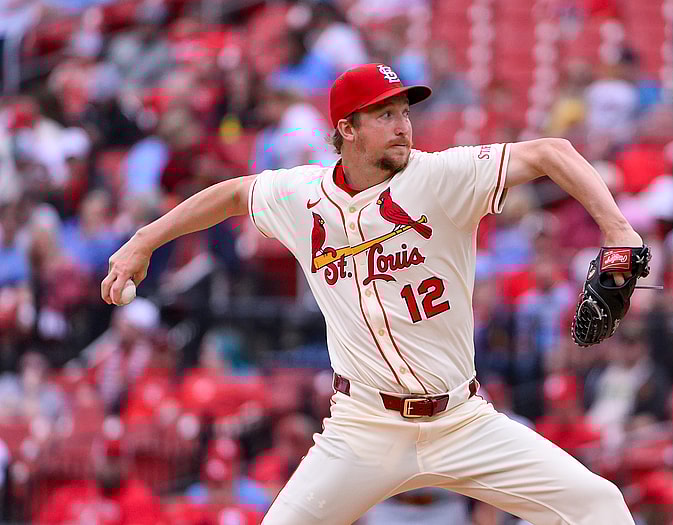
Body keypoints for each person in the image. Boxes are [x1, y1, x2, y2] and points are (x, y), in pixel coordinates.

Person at [102, 63, 643, 524]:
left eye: (406, 112)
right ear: (348, 128)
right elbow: (234, 194)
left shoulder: (441, 177)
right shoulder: (302, 195)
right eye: (385, 114)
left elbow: (553, 151)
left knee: (601, 505)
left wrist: (619, 230)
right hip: (363, 428)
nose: (403, 125)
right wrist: (145, 239)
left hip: (462, 420)